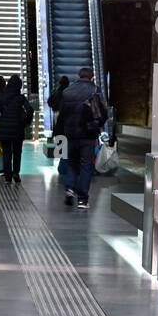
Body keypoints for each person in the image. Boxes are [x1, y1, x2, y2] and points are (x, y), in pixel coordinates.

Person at [58, 67, 107, 210]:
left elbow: (62, 114)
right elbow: (103, 111)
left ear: (78, 76)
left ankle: (69, 188)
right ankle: (82, 199)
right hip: (88, 134)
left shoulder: (67, 91)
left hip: (70, 134)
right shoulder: (95, 90)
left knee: (72, 163)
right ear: (92, 77)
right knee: (86, 166)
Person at [0, 74, 33, 182]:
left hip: (4, 128)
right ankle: (16, 174)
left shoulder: (3, 97)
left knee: (6, 152)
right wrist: (26, 122)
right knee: (17, 152)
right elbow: (30, 110)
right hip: (18, 129)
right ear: (19, 86)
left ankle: (7, 177)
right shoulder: (21, 98)